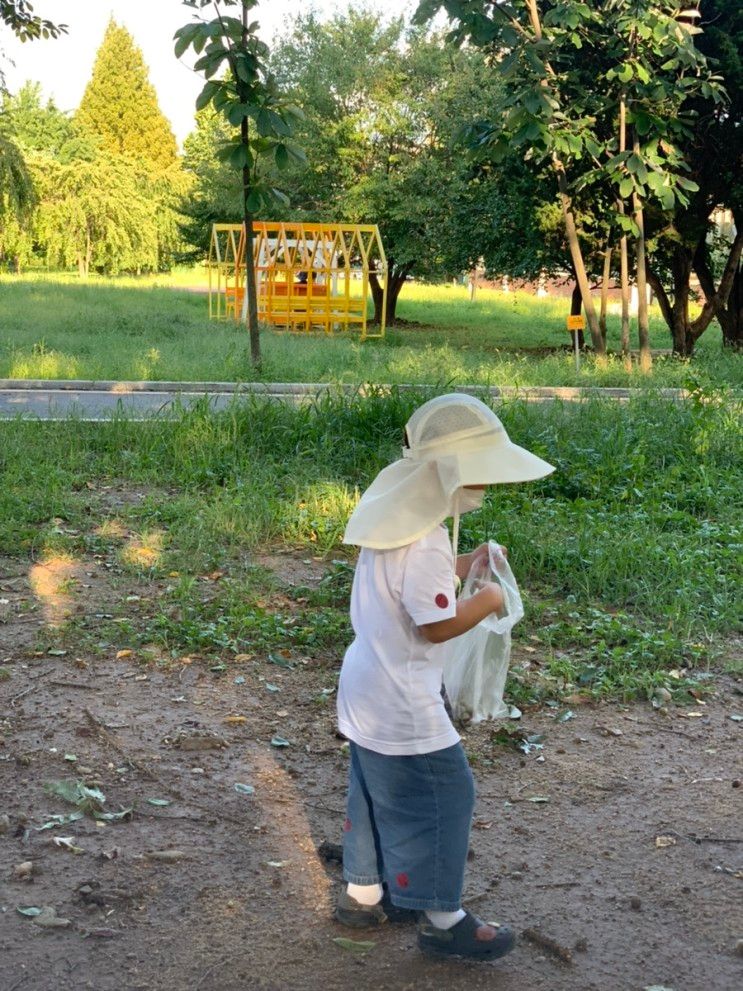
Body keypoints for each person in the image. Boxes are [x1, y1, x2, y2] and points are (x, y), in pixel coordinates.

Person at [334, 392, 555, 959]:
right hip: (403, 699)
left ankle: (362, 894)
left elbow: (412, 581)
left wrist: (466, 563)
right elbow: (434, 625)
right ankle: (441, 916)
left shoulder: (395, 523)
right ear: (453, 478)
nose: (485, 487)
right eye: (480, 475)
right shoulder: (428, 537)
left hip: (364, 687)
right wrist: (488, 598)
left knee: (372, 789)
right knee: (446, 794)